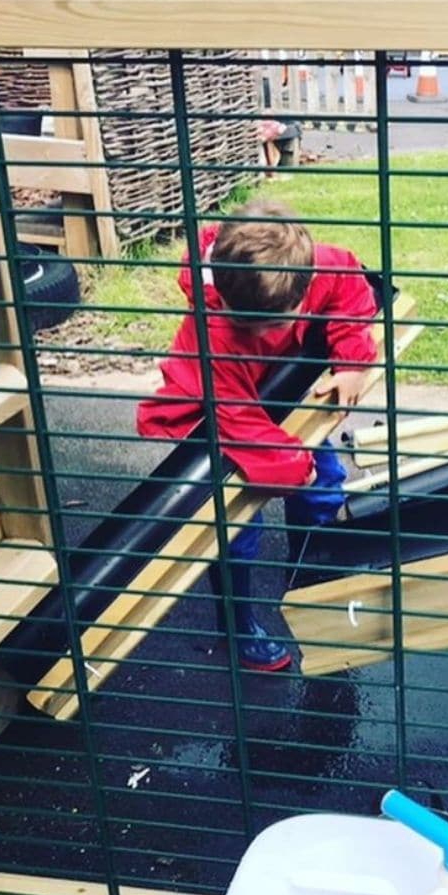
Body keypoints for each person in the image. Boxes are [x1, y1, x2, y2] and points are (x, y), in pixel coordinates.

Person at [137, 201, 378, 671]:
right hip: (220, 411)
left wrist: (352, 362)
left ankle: (311, 573)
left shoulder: (318, 267)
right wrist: (293, 468)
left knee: (324, 483)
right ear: (223, 297)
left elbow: (352, 290)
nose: (264, 333)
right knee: (236, 523)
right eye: (251, 324)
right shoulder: (216, 331)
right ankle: (238, 620)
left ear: (304, 289)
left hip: (282, 395)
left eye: (275, 323)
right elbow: (241, 424)